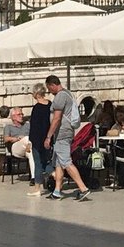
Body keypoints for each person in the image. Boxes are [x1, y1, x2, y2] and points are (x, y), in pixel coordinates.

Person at [43, 74, 91, 202]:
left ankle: (83, 188)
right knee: (59, 163)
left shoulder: (60, 97)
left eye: (49, 88)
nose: (49, 91)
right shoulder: (68, 94)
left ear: (53, 85)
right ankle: (57, 191)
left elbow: (57, 118)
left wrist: (48, 136)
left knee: (66, 162)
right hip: (67, 132)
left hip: (62, 133)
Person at [28, 84, 52, 195]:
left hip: (37, 140)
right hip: (49, 138)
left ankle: (37, 188)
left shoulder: (36, 108)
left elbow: (33, 127)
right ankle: (54, 174)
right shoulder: (50, 105)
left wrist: (30, 142)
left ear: (37, 94)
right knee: (47, 161)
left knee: (38, 163)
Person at [3, 107, 34, 179]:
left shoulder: (27, 125)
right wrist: (17, 138)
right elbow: (6, 139)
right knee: (26, 138)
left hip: (27, 148)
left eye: (22, 114)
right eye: (19, 114)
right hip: (16, 148)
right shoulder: (9, 127)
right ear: (13, 117)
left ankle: (33, 177)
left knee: (31, 153)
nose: (21, 116)